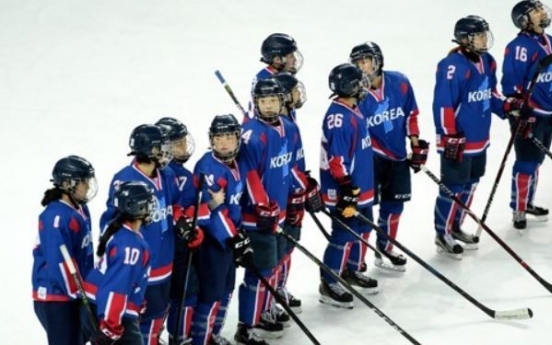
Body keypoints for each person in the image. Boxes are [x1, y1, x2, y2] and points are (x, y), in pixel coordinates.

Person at [432, 15, 525, 259]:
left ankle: (455, 225)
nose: (485, 39)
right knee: (452, 188)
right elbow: (443, 105)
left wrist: (507, 106)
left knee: (471, 183)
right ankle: (442, 233)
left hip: (479, 140)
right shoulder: (452, 66)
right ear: (465, 39)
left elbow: (490, 94)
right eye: (480, 35)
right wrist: (448, 135)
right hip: (458, 141)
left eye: (485, 33)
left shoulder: (489, 61)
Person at [99, 124, 202, 344]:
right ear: (148, 150)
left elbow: (174, 206)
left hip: (166, 262)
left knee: (158, 317)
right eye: (162, 147)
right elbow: (110, 224)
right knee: (140, 322)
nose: (167, 151)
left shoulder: (167, 174)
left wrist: (183, 223)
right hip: (141, 269)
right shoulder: (124, 180)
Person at [235, 78, 306, 344]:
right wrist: (263, 208)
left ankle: (264, 312)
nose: (267, 106)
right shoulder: (251, 135)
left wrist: (304, 190)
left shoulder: (289, 127)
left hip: (281, 213)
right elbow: (249, 175)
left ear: (281, 101)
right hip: (258, 219)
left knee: (273, 267)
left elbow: (293, 166)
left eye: (272, 100)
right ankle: (247, 326)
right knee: (260, 272)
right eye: (262, 101)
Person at [350, 41, 428, 272]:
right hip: (370, 158)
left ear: (378, 60)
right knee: (365, 210)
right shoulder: (355, 93)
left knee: (395, 205)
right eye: (357, 62)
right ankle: (358, 258)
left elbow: (411, 114)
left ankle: (385, 247)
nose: (362, 66)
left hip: (397, 155)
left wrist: (415, 144)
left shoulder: (400, 82)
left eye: (365, 60)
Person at [185, 114, 250, 345]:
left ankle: (213, 334)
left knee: (226, 290)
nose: (223, 142)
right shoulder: (208, 167)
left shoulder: (236, 164)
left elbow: (234, 205)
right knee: (211, 295)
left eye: (229, 137)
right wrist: (234, 237)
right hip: (212, 244)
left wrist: (239, 234)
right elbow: (213, 213)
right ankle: (201, 340)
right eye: (218, 137)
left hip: (228, 242)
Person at [319, 63, 378, 309]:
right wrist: (347, 191)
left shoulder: (354, 109)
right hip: (346, 191)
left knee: (363, 230)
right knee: (342, 236)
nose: (363, 86)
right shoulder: (339, 119)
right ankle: (329, 282)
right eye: (358, 82)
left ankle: (351, 271)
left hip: (361, 188)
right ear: (349, 87)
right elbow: (337, 161)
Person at [32, 155, 97, 345]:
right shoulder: (55, 218)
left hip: (75, 293)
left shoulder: (81, 209)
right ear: (68, 183)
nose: (88, 186)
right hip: (55, 297)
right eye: (83, 182)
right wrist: (79, 296)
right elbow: (59, 264)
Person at [81, 181, 154, 345]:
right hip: (111, 313)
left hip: (101, 306)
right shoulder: (130, 245)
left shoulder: (122, 231)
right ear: (138, 207)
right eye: (149, 202)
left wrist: (137, 300)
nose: (152, 206)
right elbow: (116, 289)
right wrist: (110, 329)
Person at [271, 72, 320, 316]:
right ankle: (270, 298)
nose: (299, 94)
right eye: (294, 91)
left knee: (288, 247)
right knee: (277, 252)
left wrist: (305, 183)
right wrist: (305, 184)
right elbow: (284, 167)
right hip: (282, 198)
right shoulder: (275, 129)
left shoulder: (289, 119)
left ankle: (281, 287)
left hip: (295, 194)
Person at [502, 0, 552, 230]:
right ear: (524, 20)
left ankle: (528, 202)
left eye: (541, 8)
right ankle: (519, 208)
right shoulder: (519, 47)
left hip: (549, 112)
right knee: (527, 161)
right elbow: (511, 85)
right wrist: (519, 113)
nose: (542, 12)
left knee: (538, 160)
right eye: (536, 11)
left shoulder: (549, 41)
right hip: (531, 114)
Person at [155, 117, 200, 344]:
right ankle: (179, 337)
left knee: (175, 295)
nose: (184, 147)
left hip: (177, 247)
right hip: (172, 249)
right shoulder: (173, 175)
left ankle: (173, 336)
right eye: (177, 143)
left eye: (184, 141)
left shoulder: (176, 173)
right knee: (181, 294)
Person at [247, 33, 304, 121]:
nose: (295, 60)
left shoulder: (278, 76)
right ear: (277, 60)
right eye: (291, 56)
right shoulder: (269, 81)